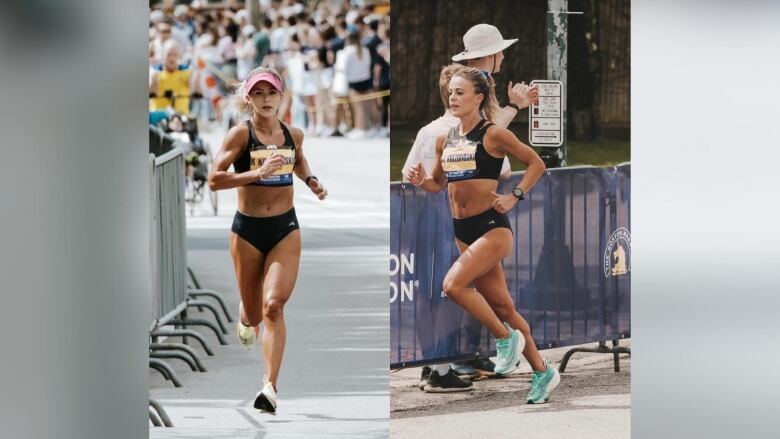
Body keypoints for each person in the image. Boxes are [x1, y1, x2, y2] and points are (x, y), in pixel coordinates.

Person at [405, 67, 560, 404]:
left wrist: (514, 196)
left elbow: (536, 164)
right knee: (503, 304)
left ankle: (504, 340)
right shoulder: (445, 138)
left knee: (453, 286)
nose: (453, 97)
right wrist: (421, 181)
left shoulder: (493, 134)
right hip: (463, 230)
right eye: (451, 92)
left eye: (461, 92)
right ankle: (541, 370)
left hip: (492, 227)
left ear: (479, 97)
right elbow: (437, 184)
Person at [207, 67, 328, 414]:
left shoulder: (294, 134)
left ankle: (270, 387)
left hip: (284, 229)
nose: (265, 100)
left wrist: (312, 180)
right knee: (254, 316)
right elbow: (214, 179)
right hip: (247, 231)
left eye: (271, 93)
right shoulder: (239, 136)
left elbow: (299, 161)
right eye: (258, 94)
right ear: (249, 98)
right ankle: (246, 315)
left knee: (273, 306)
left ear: (281, 96)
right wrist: (256, 174)